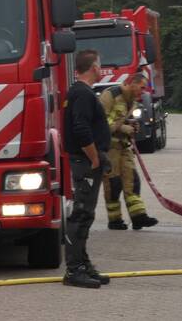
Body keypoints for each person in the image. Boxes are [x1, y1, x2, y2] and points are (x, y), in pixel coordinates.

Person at [62, 49, 112, 289]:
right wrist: (94, 158)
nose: (101, 69)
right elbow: (81, 128)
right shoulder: (82, 94)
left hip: (87, 161)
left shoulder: (81, 93)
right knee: (81, 214)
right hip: (85, 163)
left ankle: (83, 263)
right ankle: (74, 270)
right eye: (99, 65)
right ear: (94, 67)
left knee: (87, 214)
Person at [99, 73, 159, 231]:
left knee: (132, 180)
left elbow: (122, 119)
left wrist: (132, 124)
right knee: (113, 184)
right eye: (142, 87)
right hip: (110, 148)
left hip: (124, 147)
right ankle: (115, 220)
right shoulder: (110, 95)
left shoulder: (131, 101)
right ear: (132, 83)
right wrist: (122, 127)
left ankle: (138, 217)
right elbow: (100, 122)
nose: (143, 91)